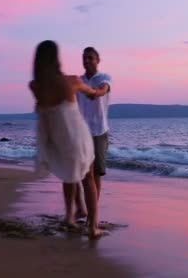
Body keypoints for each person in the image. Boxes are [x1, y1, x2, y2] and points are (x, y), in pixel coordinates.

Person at [30, 40, 103, 238]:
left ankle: (69, 217)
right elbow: (92, 92)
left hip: (56, 140)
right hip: (78, 137)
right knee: (88, 177)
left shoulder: (35, 86)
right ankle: (93, 226)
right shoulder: (71, 81)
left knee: (68, 175)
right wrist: (97, 92)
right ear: (56, 59)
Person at [76, 46, 111, 218]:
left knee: (96, 173)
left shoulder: (103, 77)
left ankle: (92, 212)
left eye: (90, 57)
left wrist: (95, 92)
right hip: (81, 131)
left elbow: (104, 90)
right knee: (82, 173)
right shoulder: (79, 80)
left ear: (97, 60)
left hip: (99, 131)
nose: (87, 61)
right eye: (84, 58)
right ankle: (81, 209)